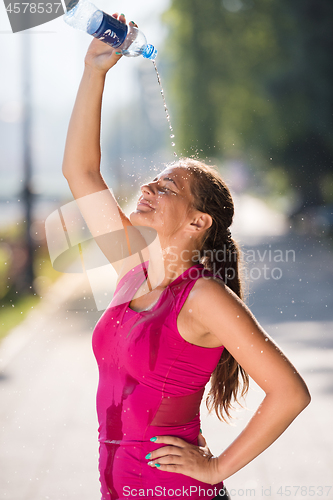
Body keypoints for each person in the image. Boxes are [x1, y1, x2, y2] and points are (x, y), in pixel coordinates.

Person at [61, 13, 311, 500]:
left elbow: (290, 393)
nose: (151, 185)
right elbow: (81, 173)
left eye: (168, 186)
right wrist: (95, 72)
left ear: (199, 222)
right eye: (155, 178)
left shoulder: (203, 297)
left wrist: (216, 468)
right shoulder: (133, 272)